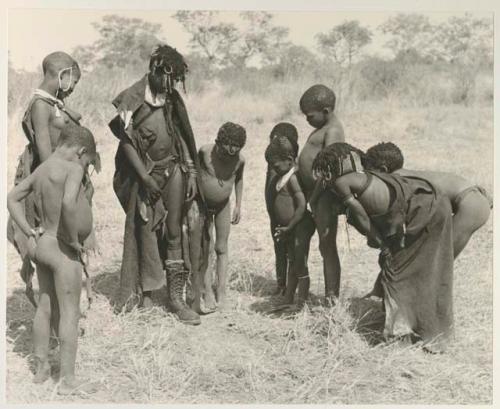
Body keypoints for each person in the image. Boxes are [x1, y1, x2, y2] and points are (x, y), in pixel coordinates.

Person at [312, 143, 455, 353]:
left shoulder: (343, 183)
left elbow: (360, 214)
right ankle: (430, 334)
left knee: (396, 276)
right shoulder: (366, 176)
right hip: (434, 204)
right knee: (423, 273)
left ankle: (401, 338)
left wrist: (379, 242)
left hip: (423, 211)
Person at [109, 44, 203, 325]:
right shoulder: (131, 98)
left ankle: (175, 298)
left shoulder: (171, 98)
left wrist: (192, 172)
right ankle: (146, 292)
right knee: (145, 228)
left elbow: (182, 135)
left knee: (174, 230)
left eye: (175, 80)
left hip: (172, 168)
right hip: (144, 173)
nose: (171, 84)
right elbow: (126, 143)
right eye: (168, 78)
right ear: (153, 70)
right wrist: (145, 177)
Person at [7, 123, 99, 394]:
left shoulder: (44, 167)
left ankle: (42, 368)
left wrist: (27, 230)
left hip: (43, 243)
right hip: (62, 251)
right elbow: (70, 203)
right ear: (81, 151)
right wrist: (72, 240)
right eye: (88, 161)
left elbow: (12, 198)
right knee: (70, 314)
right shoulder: (73, 168)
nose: (86, 166)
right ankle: (68, 381)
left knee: (45, 307)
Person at [7, 51, 96, 308]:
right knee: (55, 241)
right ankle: (55, 309)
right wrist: (67, 181)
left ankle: (61, 304)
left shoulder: (53, 102)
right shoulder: (40, 105)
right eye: (73, 82)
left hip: (65, 176)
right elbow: (46, 157)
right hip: (53, 180)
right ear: (62, 75)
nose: (72, 89)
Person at [363, 142, 492, 258]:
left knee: (439, 261)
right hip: (475, 198)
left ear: (383, 170)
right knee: (436, 261)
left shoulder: (398, 180)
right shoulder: (409, 174)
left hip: (471, 204)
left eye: (371, 174)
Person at [297, 84, 345, 302]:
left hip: (323, 195)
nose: (307, 120)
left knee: (327, 244)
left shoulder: (333, 131)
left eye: (309, 116)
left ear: (326, 111)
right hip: (313, 195)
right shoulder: (323, 128)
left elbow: (329, 170)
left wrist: (314, 198)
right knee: (321, 244)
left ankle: (331, 297)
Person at [194, 122, 246, 311]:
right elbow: (193, 175)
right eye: (224, 152)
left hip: (224, 206)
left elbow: (239, 179)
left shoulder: (239, 160)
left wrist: (239, 204)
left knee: (221, 247)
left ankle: (221, 291)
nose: (227, 157)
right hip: (203, 206)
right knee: (206, 249)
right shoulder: (205, 153)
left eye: (233, 153)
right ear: (218, 143)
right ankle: (207, 291)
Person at [265, 136, 315, 309]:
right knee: (293, 261)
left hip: (300, 225)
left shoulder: (292, 178)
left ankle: (301, 303)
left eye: (276, 165)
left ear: (289, 160)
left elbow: (301, 205)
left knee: (300, 262)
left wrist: (290, 226)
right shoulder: (283, 177)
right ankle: (288, 299)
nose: (273, 169)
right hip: (291, 228)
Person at [264, 123, 299, 295]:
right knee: (280, 250)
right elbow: (269, 196)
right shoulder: (275, 166)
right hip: (276, 219)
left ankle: (290, 287)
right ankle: (281, 284)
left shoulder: (290, 171)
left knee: (292, 253)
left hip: (291, 221)